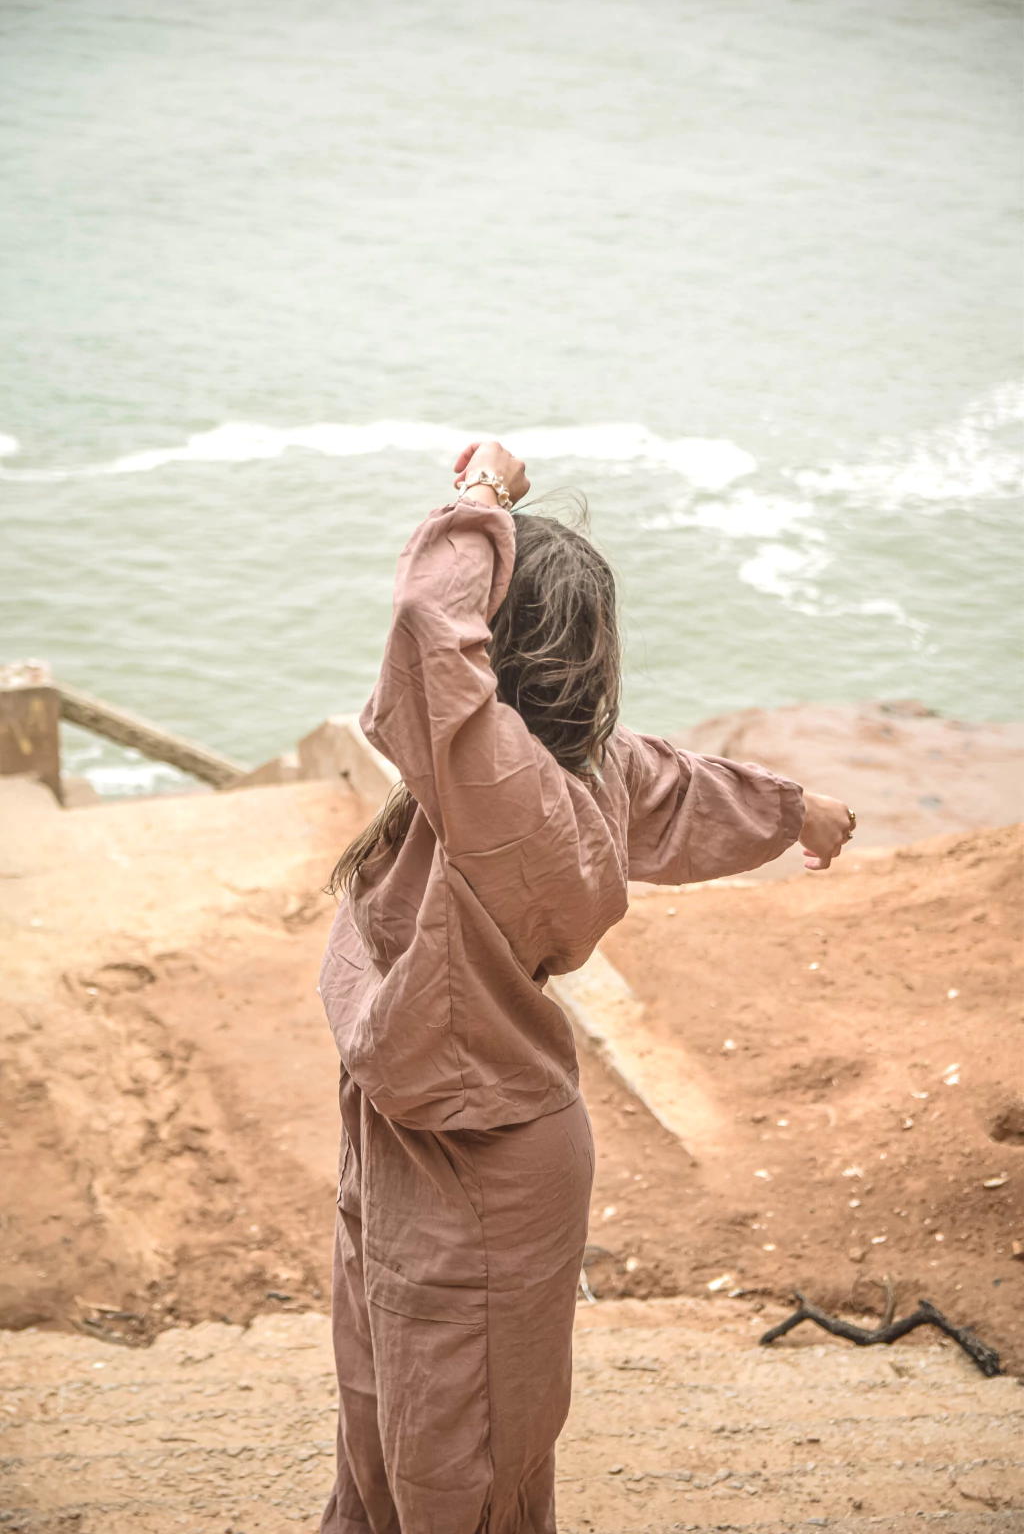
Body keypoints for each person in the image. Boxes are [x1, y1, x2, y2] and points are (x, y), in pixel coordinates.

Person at [317, 440, 854, 1534]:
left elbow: (426, 623)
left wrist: (481, 497)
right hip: (415, 1133)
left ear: (500, 649)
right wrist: (799, 810)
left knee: (459, 1465)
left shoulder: (501, 787)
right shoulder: (571, 773)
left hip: (477, 1162)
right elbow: (685, 789)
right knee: (381, 1427)